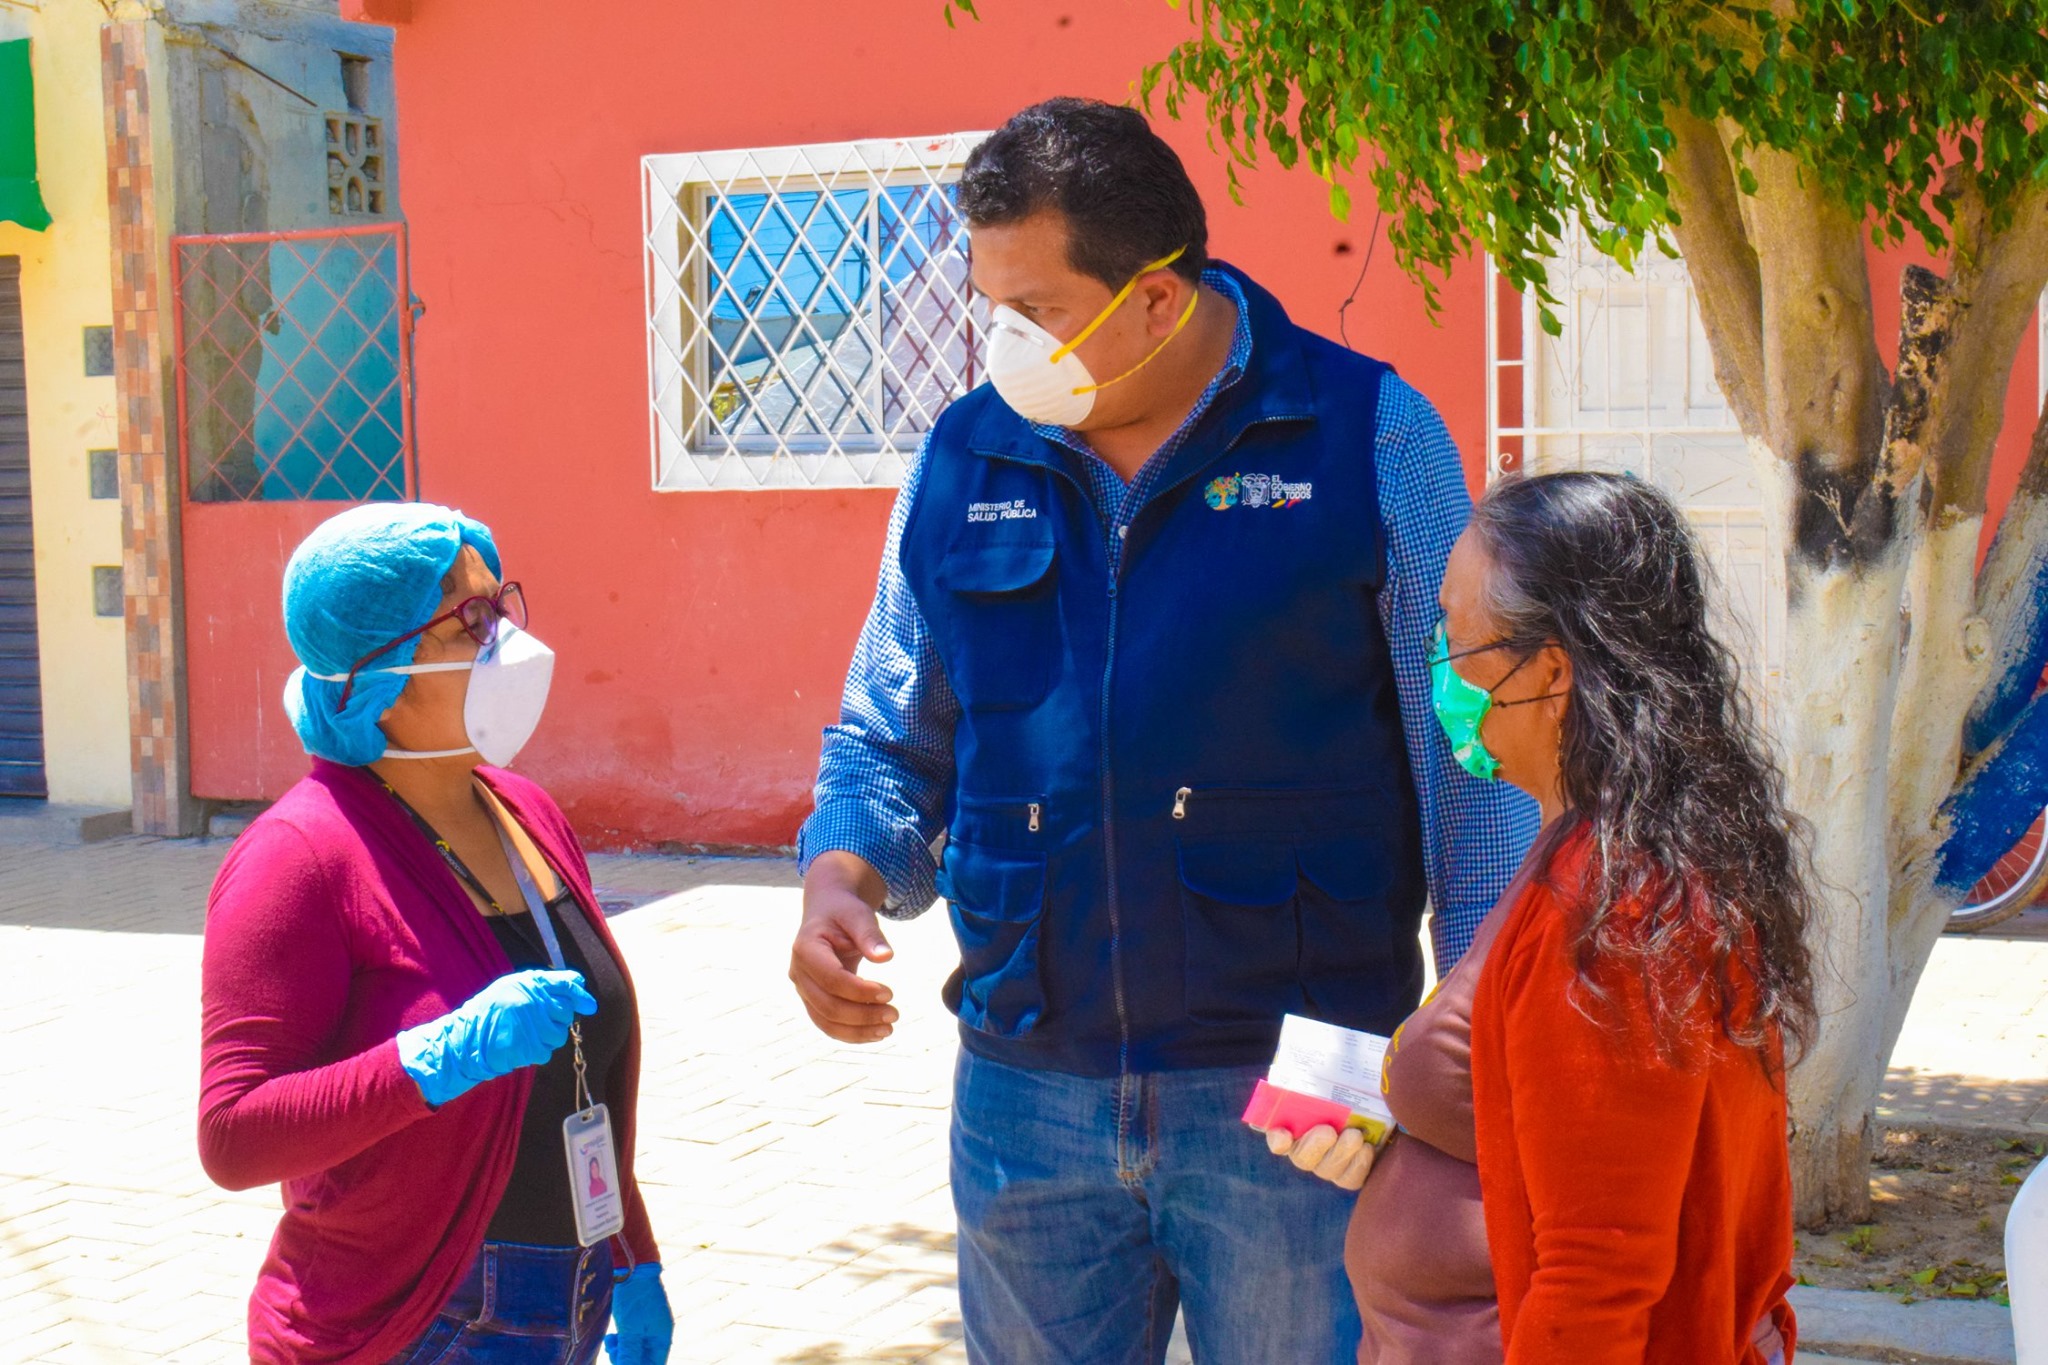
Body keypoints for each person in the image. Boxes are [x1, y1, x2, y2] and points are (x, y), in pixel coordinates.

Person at [789, 97, 1538, 1363]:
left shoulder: (1365, 433)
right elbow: (887, 735)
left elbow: (1475, 763)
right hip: (1027, 1095)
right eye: (989, 305)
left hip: (1301, 1088)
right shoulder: (963, 458)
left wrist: (1471, 1042)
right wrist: (838, 877)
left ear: (1152, 297)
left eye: (1036, 310)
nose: (1002, 343)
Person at [1268, 471, 1816, 1364]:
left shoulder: (1622, 912)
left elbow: (1597, 1270)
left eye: (1456, 636)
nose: (1437, 660)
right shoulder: (1593, 846)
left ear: (1550, 672)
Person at [197, 503, 675, 1365]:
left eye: (501, 605)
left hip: (571, 1302)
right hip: (412, 1322)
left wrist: (629, 1248)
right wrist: (429, 1061)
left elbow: (583, 1078)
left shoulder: (526, 812)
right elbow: (234, 1134)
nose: (507, 644)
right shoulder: (298, 855)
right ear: (375, 677)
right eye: (470, 622)